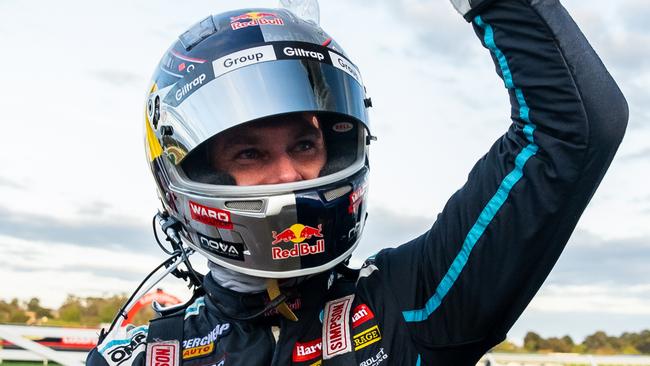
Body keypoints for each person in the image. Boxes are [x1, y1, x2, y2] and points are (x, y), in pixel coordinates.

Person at [87, 0, 628, 365]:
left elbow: (574, 128)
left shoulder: (409, 301)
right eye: (250, 152)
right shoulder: (141, 355)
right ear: (185, 177)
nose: (290, 176)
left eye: (305, 145)